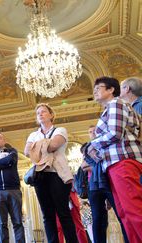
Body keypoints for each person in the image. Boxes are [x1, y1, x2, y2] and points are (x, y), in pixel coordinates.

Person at [85, 76, 142, 243]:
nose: (95, 90)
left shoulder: (116, 104)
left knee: (134, 210)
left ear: (111, 90)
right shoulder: (111, 108)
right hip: (114, 163)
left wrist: (92, 145)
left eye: (99, 87)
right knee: (125, 213)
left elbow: (115, 134)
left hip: (123, 162)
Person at [24, 103, 77, 243]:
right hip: (40, 176)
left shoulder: (60, 130)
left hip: (58, 174)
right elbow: (27, 151)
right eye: (38, 113)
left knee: (63, 213)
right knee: (47, 215)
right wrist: (45, 143)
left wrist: (38, 146)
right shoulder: (33, 134)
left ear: (51, 115)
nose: (40, 114)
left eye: (43, 112)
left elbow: (54, 145)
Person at [81, 125, 129, 243]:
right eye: (90, 132)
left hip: (111, 182)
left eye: (94, 131)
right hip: (94, 185)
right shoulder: (88, 147)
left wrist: (96, 163)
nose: (92, 133)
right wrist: (102, 164)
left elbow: (108, 159)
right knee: (97, 218)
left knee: (121, 214)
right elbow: (83, 166)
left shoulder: (105, 143)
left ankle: (129, 239)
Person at [0, 133, 25, 243]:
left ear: (4, 140)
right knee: (1, 223)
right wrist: (1, 164)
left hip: (14, 190)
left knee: (18, 222)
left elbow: (11, 160)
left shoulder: (12, 151)